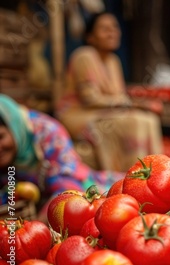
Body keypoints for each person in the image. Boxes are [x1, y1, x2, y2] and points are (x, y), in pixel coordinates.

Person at [56, 12, 163, 172]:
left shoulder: (114, 61)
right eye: (105, 29)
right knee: (134, 121)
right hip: (79, 114)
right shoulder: (84, 55)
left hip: (105, 112)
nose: (112, 32)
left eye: (114, 27)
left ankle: (154, 174)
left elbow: (118, 97)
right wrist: (130, 104)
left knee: (149, 119)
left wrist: (136, 105)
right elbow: (90, 99)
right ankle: (130, 178)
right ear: (90, 37)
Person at [0, 94, 123, 210]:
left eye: (1, 137)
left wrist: (35, 227)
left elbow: (67, 193)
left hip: (83, 195)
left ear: (14, 127)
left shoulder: (48, 133)